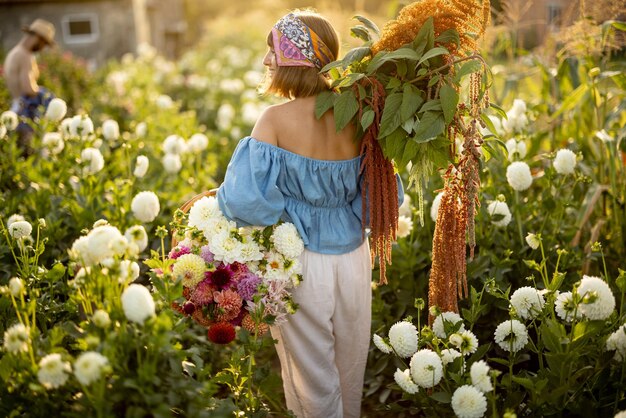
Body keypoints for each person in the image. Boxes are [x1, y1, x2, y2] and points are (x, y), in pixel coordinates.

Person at [217, 10, 403, 418]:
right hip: (354, 258)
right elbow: (383, 197)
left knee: (310, 375)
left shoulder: (275, 120)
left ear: (294, 57)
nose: (267, 60)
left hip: (301, 259)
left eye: (273, 50)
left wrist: (281, 206)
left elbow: (247, 203)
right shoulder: (358, 113)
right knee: (349, 363)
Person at [3, 18, 56, 150]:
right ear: (38, 38)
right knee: (33, 154)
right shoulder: (25, 56)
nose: (43, 48)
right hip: (26, 113)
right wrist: (46, 95)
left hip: (15, 107)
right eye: (44, 43)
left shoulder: (13, 52)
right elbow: (28, 88)